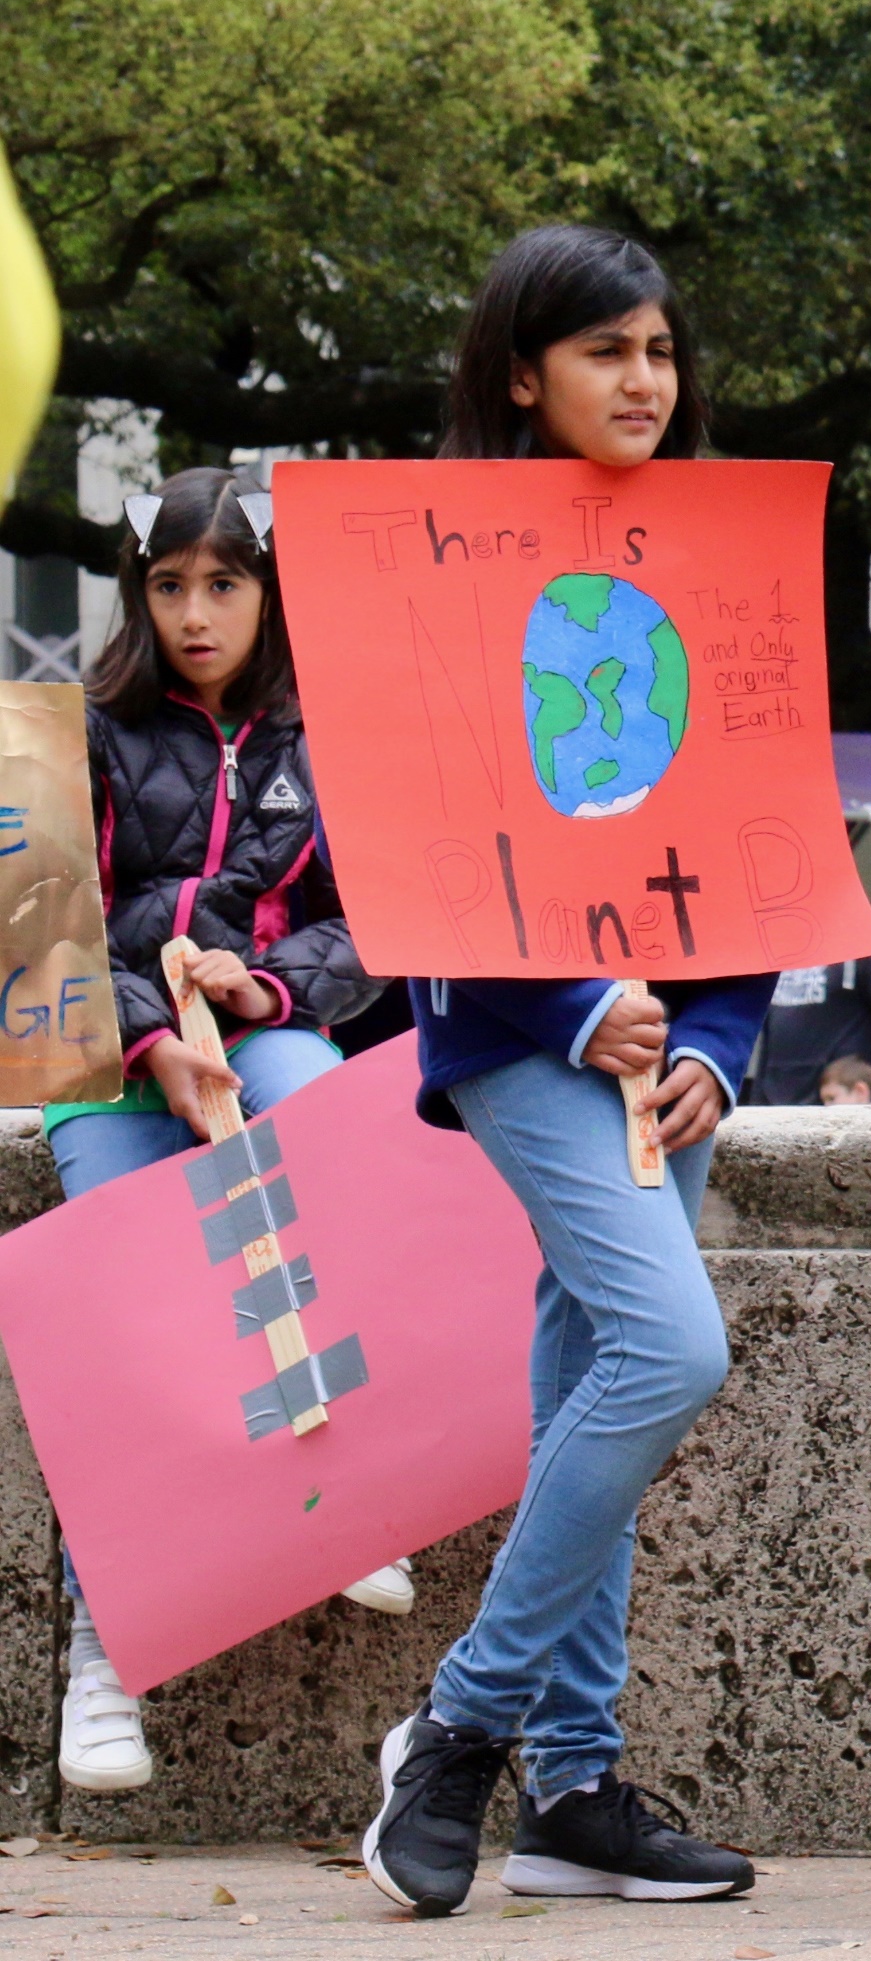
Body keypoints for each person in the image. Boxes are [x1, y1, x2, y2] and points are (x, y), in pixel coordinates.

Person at [360, 225, 773, 1917]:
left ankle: (579, 1780)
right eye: (607, 351)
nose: (645, 381)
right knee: (674, 1345)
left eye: (662, 348)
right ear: (522, 371)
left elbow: (744, 806)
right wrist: (574, 1000)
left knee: (593, 1367)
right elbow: (424, 829)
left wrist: (729, 1046)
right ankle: (459, 1730)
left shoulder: (708, 541)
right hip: (524, 1030)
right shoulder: (446, 551)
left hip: (667, 1040)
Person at [44, 465, 402, 1794]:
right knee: (125, 1309)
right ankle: (106, 1651)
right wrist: (157, 1037)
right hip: (116, 1051)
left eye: (226, 583)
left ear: (270, 591)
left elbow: (373, 924)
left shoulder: (328, 735)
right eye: (171, 585)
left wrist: (265, 987)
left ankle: (361, 1488)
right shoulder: (79, 732)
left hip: (264, 1025)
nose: (198, 612)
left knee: (332, 1136)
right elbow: (48, 925)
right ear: (141, 595)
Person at [749, 912, 871, 1104]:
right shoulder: (779, 933)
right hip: (779, 1108)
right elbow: (769, 1033)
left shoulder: (865, 932)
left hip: (843, 1104)